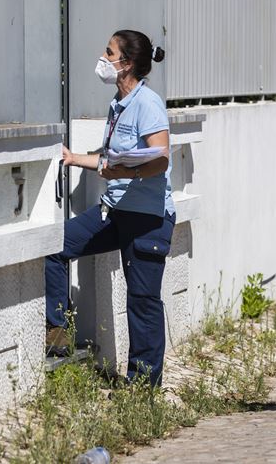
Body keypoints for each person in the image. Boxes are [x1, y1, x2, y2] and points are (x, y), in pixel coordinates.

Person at [44, 30, 174, 386]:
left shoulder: (147, 103)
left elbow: (160, 160)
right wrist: (74, 159)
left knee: (142, 301)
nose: (103, 58)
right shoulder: (119, 103)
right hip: (114, 210)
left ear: (126, 63)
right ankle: (57, 333)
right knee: (55, 246)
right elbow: (108, 159)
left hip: (148, 219)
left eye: (109, 52)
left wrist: (123, 169)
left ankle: (143, 386)